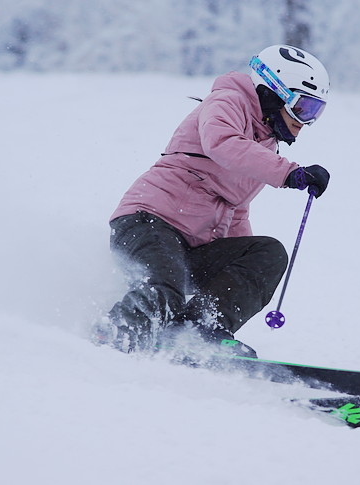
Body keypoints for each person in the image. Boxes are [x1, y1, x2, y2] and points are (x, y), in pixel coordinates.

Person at [95, 44, 331, 358]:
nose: (306, 121)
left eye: (316, 112)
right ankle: (113, 333)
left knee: (268, 253)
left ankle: (200, 329)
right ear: (274, 92)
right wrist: (289, 174)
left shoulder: (266, 145)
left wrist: (239, 267)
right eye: (303, 108)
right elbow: (222, 144)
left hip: (192, 247)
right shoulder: (228, 102)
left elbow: (236, 210)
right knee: (165, 289)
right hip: (149, 223)